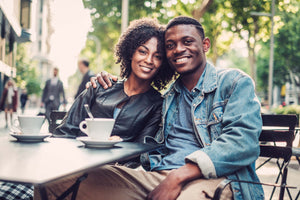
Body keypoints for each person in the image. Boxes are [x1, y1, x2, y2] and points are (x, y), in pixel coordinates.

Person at [36, 16, 263, 200]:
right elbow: (142, 145)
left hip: (215, 178)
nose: (178, 50)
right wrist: (105, 82)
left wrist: (177, 177)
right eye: (171, 46)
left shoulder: (233, 82)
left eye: (187, 42)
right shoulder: (167, 97)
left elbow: (241, 142)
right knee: (54, 183)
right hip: (156, 175)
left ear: (205, 45)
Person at [53, 18, 173, 155]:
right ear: (130, 53)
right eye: (142, 52)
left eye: (157, 56)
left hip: (115, 169)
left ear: (163, 64)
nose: (149, 60)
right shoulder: (100, 86)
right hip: (77, 161)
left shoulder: (157, 104)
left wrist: (117, 146)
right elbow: (64, 132)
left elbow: (140, 151)